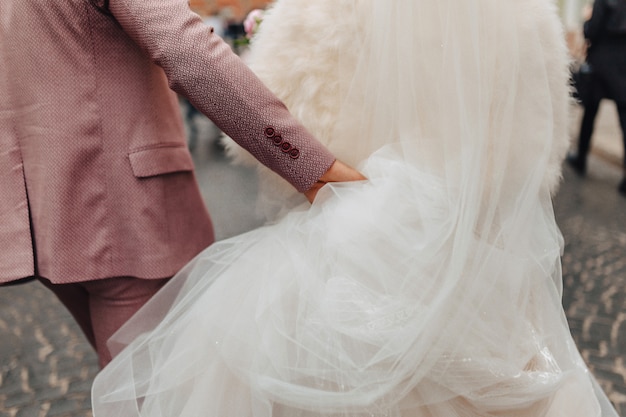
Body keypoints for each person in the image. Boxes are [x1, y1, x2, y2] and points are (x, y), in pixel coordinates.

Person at [92, 0, 619, 416]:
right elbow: (539, 146)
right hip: (479, 259)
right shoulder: (527, 15)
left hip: (354, 253)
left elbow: (278, 138)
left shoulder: (324, 10)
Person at [0, 0, 364, 369]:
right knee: (152, 391)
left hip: (37, 212)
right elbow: (184, 48)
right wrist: (312, 168)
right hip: (121, 214)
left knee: (132, 376)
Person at [567, 0, 626, 195]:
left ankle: (581, 158)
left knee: (590, 112)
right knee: (624, 119)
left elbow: (591, 31)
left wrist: (587, 18)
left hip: (601, 64)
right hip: (623, 65)